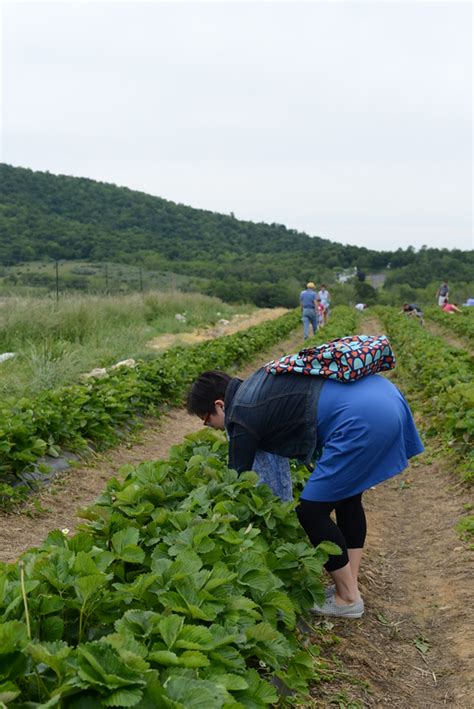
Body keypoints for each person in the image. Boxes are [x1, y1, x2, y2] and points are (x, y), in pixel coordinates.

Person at [187, 363, 424, 620]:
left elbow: (236, 483)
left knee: (311, 511)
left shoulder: (241, 413)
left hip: (361, 418)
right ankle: (349, 585)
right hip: (384, 395)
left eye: (206, 419)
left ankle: (348, 599)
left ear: (220, 405)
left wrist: (214, 522)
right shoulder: (257, 384)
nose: (210, 426)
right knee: (347, 497)